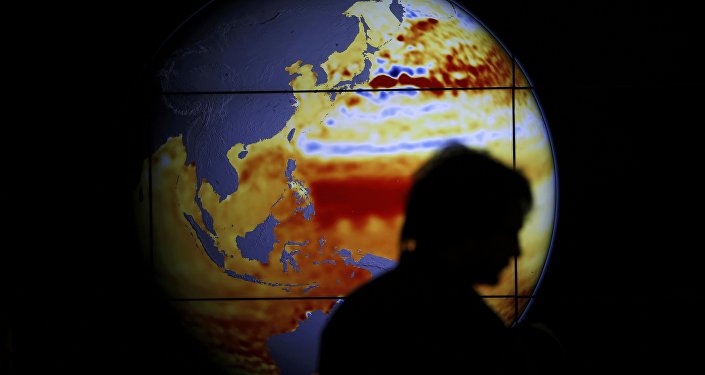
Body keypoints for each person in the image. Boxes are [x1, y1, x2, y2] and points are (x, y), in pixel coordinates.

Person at [319, 143, 543, 374]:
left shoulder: (357, 317)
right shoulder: (472, 334)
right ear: (469, 226)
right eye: (508, 232)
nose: (516, 251)